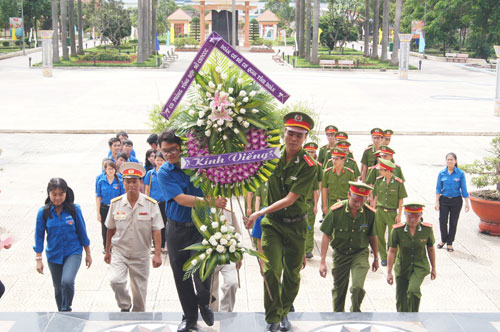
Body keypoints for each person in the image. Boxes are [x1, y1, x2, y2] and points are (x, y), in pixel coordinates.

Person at [245, 112, 316, 332]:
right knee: (271, 270)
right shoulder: (270, 156)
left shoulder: (309, 165)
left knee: (292, 274)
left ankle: (283, 311)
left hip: (295, 225)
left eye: (299, 135)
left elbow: (290, 199)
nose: (293, 138)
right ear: (283, 132)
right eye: (290, 133)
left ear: (305, 137)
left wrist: (258, 212)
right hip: (273, 224)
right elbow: (246, 169)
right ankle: (273, 318)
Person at [157, 128, 227, 332]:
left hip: (200, 227)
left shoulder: (197, 164)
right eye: (164, 151)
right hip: (176, 229)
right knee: (181, 274)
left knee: (202, 269)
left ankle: (204, 302)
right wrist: (211, 201)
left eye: (173, 149)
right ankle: (189, 317)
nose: (169, 154)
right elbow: (180, 199)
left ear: (181, 148)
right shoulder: (164, 172)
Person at [104, 162, 163, 312]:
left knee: (140, 294)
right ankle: (125, 305)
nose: (131, 185)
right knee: (115, 281)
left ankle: (138, 320)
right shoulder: (116, 204)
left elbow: (156, 230)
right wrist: (108, 251)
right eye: (128, 181)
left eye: (134, 181)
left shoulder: (151, 204)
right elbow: (110, 229)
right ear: (123, 183)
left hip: (141, 253)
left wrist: (157, 254)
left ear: (140, 183)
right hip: (120, 251)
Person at [319, 182, 379, 312]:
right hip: (340, 254)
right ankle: (338, 317)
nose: (357, 204)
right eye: (355, 200)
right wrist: (323, 261)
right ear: (348, 195)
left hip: (360, 253)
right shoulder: (336, 211)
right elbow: (326, 235)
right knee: (339, 290)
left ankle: (355, 312)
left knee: (357, 287)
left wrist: (376, 257)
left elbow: (372, 236)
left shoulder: (369, 214)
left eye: (361, 201)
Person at [34, 178, 92, 312]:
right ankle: (61, 312)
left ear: (66, 193)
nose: (58, 198)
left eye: (61, 194)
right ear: (49, 193)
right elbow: (39, 237)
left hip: (73, 252)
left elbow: (83, 233)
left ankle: (66, 308)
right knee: (58, 288)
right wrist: (38, 259)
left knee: (67, 281)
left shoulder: (74, 210)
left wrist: (88, 254)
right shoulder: (43, 212)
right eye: (54, 194)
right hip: (54, 254)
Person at [387, 202, 437, 312]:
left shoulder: (426, 230)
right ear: (405, 215)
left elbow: (431, 249)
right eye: (410, 217)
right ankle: (402, 320)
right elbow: (392, 251)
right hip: (402, 267)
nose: (413, 220)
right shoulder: (397, 230)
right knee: (401, 298)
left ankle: (414, 316)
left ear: (420, 216)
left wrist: (434, 268)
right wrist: (389, 272)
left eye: (416, 217)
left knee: (413, 291)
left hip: (420, 266)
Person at [372, 159, 407, 266]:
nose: (379, 172)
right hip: (380, 211)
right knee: (379, 235)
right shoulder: (378, 181)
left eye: (381, 170)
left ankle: (395, 257)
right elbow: (376, 196)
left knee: (394, 236)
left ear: (387, 170)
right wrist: (374, 209)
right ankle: (383, 257)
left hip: (392, 212)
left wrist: (399, 214)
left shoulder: (398, 183)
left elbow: (401, 199)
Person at [435, 152, 470, 252]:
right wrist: (436, 202)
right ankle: (443, 240)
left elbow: (464, 189)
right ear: (446, 161)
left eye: (452, 159)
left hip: (456, 201)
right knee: (442, 221)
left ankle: (450, 242)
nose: (450, 161)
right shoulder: (441, 173)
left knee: (453, 222)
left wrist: (467, 203)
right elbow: (438, 189)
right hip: (444, 200)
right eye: (448, 159)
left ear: (456, 161)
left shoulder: (460, 174)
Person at [210, 209, 242, 312]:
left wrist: (239, 256)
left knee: (232, 283)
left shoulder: (229, 212)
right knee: (211, 290)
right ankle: (212, 313)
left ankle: (226, 313)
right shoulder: (203, 211)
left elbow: (236, 235)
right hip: (210, 256)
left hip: (227, 256)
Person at [96, 160, 124, 253]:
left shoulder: (119, 181)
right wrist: (98, 212)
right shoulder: (101, 181)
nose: (110, 171)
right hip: (104, 208)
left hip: (116, 208)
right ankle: (106, 247)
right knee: (105, 228)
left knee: (117, 228)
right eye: (108, 169)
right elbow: (98, 197)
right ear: (105, 170)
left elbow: (122, 197)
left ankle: (116, 246)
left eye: (112, 169)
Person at [144, 151, 168, 253]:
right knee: (154, 224)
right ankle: (155, 245)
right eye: (157, 160)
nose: (159, 162)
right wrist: (146, 200)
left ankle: (163, 245)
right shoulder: (150, 173)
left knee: (164, 224)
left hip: (165, 202)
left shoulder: (167, 173)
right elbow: (147, 188)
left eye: (161, 160)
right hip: (153, 203)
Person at [321, 148, 356, 215]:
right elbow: (324, 189)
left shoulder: (349, 173)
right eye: (333, 158)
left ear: (343, 159)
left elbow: (352, 191)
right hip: (331, 203)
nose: (334, 161)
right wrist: (324, 205)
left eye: (337, 159)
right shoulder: (327, 173)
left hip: (344, 203)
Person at [303, 142, 321, 259]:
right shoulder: (298, 164)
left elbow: (318, 186)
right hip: (298, 200)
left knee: (309, 226)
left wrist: (316, 204)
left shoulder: (317, 166)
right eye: (308, 151)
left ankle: (308, 249)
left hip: (310, 201)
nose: (310, 154)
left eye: (312, 152)